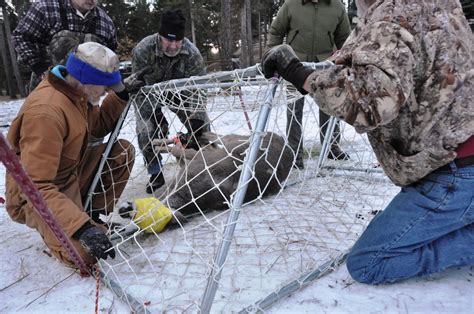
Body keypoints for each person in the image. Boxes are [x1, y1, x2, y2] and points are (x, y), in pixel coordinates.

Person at [261, 0, 473, 284]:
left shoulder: (393, 15)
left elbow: (371, 103)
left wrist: (299, 74)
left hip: (454, 171)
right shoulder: (437, 4)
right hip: (454, 157)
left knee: (368, 263)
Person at [5, 42, 135, 266]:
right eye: (105, 86)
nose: (107, 91)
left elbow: (97, 126)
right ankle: (73, 227)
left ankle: (92, 217)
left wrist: (121, 94)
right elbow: (36, 187)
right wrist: (81, 228)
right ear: (87, 79)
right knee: (85, 255)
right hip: (37, 196)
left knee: (122, 151)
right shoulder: (46, 113)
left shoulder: (77, 92)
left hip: (69, 176)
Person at [131, 9, 210, 194]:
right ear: (160, 35)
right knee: (146, 130)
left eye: (178, 40)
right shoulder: (143, 49)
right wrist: (155, 114)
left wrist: (196, 119)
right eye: (169, 39)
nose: (173, 45)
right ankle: (155, 173)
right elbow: (138, 88)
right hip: (149, 95)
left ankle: (202, 165)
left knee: (203, 127)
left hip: (180, 94)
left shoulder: (191, 53)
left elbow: (199, 88)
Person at [267, 0, 351, 168]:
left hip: (326, 67)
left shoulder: (337, 7)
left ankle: (331, 147)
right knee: (294, 111)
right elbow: (276, 31)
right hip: (294, 68)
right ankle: (294, 153)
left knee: (330, 106)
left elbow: (345, 39)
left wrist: (346, 59)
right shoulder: (291, 4)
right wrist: (275, 56)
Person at [13, 0, 117, 93]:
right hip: (46, 88)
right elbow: (21, 37)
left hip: (85, 94)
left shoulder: (105, 22)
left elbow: (110, 53)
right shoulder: (46, 8)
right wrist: (39, 67)